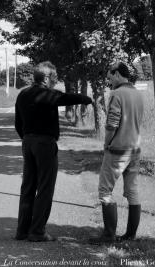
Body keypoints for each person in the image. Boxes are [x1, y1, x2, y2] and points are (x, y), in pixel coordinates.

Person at [14, 61, 93, 242]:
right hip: (44, 144)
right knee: (45, 187)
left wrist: (27, 139)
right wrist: (87, 99)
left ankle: (22, 231)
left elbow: (18, 123)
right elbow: (66, 98)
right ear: (47, 78)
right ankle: (37, 231)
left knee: (28, 187)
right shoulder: (47, 94)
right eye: (54, 78)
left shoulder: (23, 94)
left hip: (27, 143)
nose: (55, 81)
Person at [89, 62, 144, 244]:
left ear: (118, 74)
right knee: (133, 191)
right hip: (135, 149)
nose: (109, 81)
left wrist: (106, 143)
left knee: (105, 190)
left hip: (118, 151)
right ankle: (130, 235)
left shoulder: (117, 94)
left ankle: (109, 235)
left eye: (110, 77)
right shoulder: (137, 94)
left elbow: (112, 123)